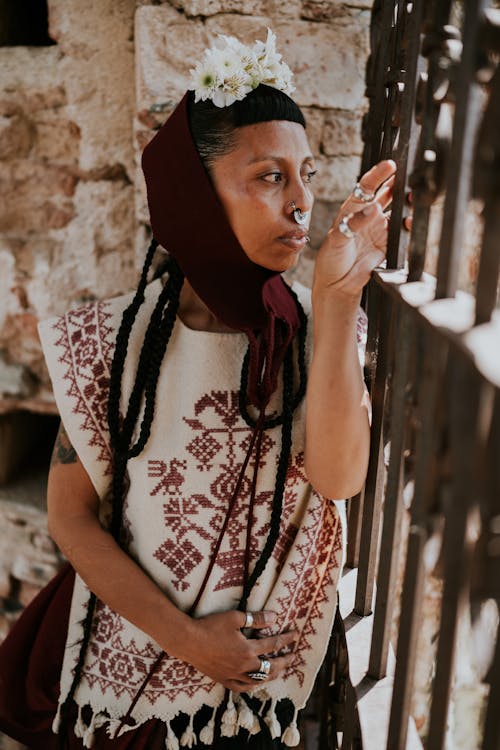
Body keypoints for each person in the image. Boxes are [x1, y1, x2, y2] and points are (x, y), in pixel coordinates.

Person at [0, 29, 394, 749]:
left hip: (254, 694)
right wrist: (189, 640)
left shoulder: (317, 334)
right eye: (270, 177)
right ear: (193, 195)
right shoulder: (111, 344)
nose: (302, 202)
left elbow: (338, 479)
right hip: (129, 669)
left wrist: (338, 306)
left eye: (306, 174)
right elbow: (71, 518)